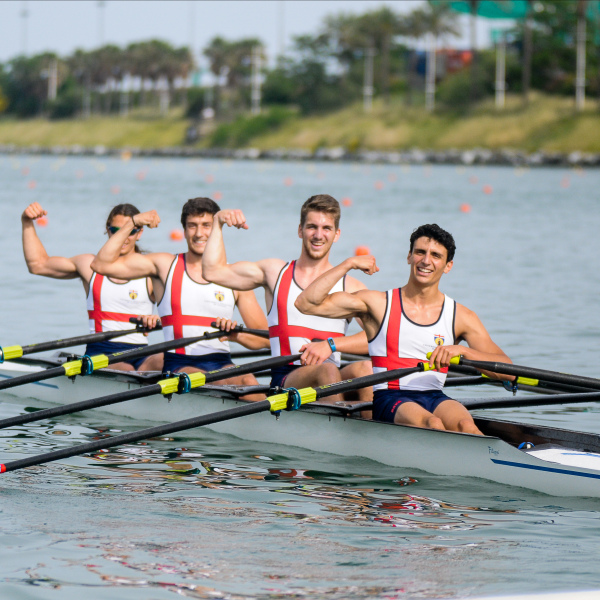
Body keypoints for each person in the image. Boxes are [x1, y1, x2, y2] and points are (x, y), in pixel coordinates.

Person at [294, 223, 515, 434]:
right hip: (389, 398)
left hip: (434, 396)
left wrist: (464, 351)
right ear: (409, 256)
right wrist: (347, 264)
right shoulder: (378, 304)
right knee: (433, 423)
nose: (426, 261)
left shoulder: (462, 317)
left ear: (448, 266)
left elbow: (509, 372)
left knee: (467, 426)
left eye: (436, 255)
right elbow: (305, 303)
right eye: (420, 252)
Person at [201, 194, 373, 406]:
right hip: (286, 379)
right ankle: (336, 430)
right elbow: (212, 272)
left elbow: (380, 336)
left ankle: (371, 431)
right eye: (312, 227)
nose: (318, 235)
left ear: (337, 234)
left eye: (326, 228)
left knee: (365, 369)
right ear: (300, 230)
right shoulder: (275, 273)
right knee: (327, 370)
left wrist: (332, 345)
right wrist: (217, 223)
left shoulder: (352, 287)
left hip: (331, 378)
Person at [90, 197, 268, 395]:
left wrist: (236, 336)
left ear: (217, 229)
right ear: (184, 231)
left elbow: (265, 338)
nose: (199, 233)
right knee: (215, 382)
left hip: (221, 362)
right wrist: (133, 222)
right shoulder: (165, 266)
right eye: (192, 226)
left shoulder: (235, 278)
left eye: (206, 225)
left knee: (248, 381)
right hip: (179, 365)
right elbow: (101, 265)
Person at [21, 202, 162, 372]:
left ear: (139, 233)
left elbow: (177, 314)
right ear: (107, 229)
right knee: (124, 368)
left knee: (166, 359)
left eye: (130, 231)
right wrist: (27, 222)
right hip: (101, 352)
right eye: (116, 230)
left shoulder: (151, 270)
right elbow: (38, 265)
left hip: (142, 353)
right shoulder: (89, 266)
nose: (123, 237)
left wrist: (157, 319)